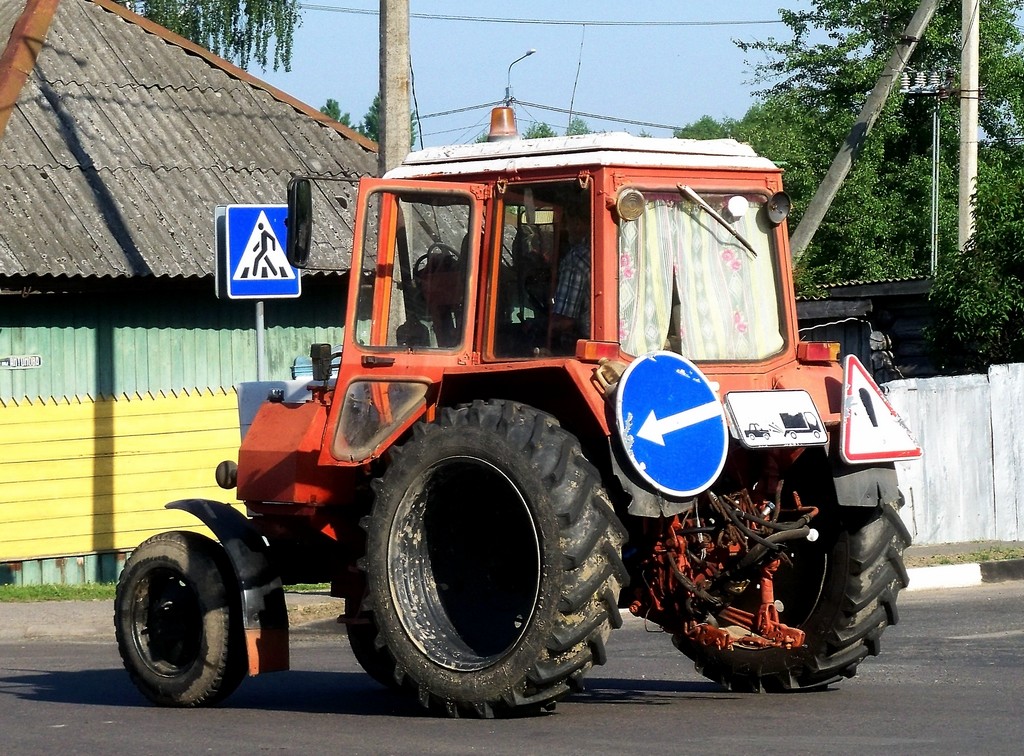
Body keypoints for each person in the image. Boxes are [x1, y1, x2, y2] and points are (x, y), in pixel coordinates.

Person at [551, 206, 590, 351]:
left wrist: (540, 325)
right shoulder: (622, 249)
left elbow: (565, 321)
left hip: (583, 345)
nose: (566, 229)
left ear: (578, 223)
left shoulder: (576, 259)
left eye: (567, 223)